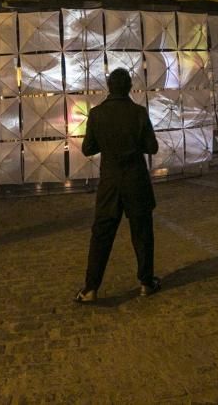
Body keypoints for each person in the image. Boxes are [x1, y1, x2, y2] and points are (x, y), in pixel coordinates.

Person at [75, 68, 160, 303]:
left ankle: (90, 288)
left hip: (110, 183)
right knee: (142, 233)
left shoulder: (97, 114)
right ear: (129, 86)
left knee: (101, 235)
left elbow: (88, 149)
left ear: (109, 86)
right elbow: (152, 147)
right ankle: (146, 282)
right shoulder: (139, 113)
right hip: (136, 180)